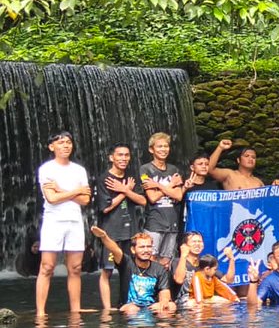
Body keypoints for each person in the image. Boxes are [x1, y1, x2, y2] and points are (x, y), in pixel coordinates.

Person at [36, 131, 92, 316]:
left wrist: (62, 191)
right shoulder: (47, 169)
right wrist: (75, 191)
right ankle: (40, 312)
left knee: (75, 268)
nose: (66, 146)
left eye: (68, 142)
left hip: (75, 221)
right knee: (47, 267)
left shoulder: (79, 170)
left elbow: (85, 200)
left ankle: (75, 310)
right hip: (54, 221)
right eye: (61, 143)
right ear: (52, 147)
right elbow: (51, 198)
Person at [93, 142, 146, 311]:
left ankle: (125, 303)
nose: (123, 158)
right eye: (120, 155)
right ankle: (107, 309)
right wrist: (124, 192)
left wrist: (126, 190)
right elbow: (105, 207)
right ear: (111, 158)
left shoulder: (131, 177)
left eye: (126, 155)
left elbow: (143, 201)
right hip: (111, 232)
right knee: (107, 271)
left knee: (129, 270)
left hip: (130, 232)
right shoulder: (104, 179)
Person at [89, 228, 176, 316]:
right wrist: (104, 236)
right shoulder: (126, 263)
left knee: (171, 306)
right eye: (142, 247)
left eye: (149, 247)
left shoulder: (159, 269)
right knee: (132, 309)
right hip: (129, 307)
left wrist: (163, 303)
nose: (146, 250)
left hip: (151, 307)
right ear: (133, 250)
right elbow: (115, 249)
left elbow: (164, 292)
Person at [140, 132, 184, 265]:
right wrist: (170, 185)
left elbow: (178, 196)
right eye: (159, 146)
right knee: (150, 259)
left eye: (166, 146)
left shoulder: (173, 169)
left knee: (166, 261)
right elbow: (152, 197)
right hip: (155, 222)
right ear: (151, 149)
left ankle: (163, 286)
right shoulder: (145, 169)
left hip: (172, 222)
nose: (163, 149)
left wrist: (158, 185)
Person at [172, 231, 234, 305]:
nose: (197, 244)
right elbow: (179, 280)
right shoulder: (178, 261)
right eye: (194, 242)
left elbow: (228, 280)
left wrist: (231, 259)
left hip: (203, 300)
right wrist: (183, 256)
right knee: (193, 303)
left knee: (227, 301)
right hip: (184, 301)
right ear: (185, 245)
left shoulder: (204, 263)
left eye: (200, 241)